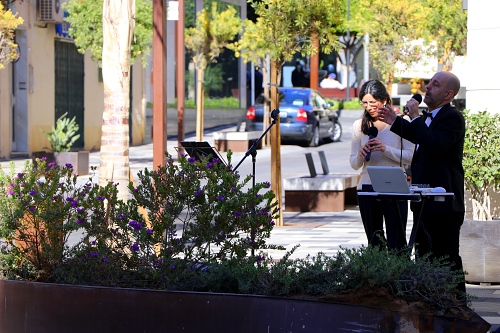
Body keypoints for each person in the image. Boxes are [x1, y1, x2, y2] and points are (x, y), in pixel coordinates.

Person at [377, 71, 466, 294]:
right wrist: (395, 121)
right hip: (424, 201)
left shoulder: (452, 118)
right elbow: (420, 137)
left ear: (448, 94)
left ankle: (458, 310)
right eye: (429, 83)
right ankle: (428, 306)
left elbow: (434, 143)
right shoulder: (427, 118)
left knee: (446, 259)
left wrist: (415, 117)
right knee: (423, 257)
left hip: (444, 203)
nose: (427, 88)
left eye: (435, 85)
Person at [349, 79, 415, 250]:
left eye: (373, 102)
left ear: (384, 100)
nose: (369, 107)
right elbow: (354, 164)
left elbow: (411, 156)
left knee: (397, 240)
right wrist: (361, 154)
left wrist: (385, 149)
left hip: (395, 186)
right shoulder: (359, 126)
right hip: (367, 186)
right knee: (374, 240)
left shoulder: (401, 122)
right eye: (365, 103)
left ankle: (398, 276)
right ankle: (377, 276)